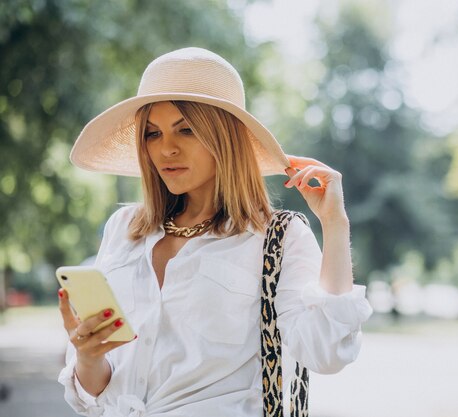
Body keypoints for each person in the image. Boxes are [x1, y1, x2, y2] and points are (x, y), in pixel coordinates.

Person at [57, 47, 372, 416]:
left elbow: (326, 352)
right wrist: (88, 355)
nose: (166, 149)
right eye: (152, 134)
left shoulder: (276, 239)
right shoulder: (124, 230)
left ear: (224, 136)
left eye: (185, 130)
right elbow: (97, 393)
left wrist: (335, 224)